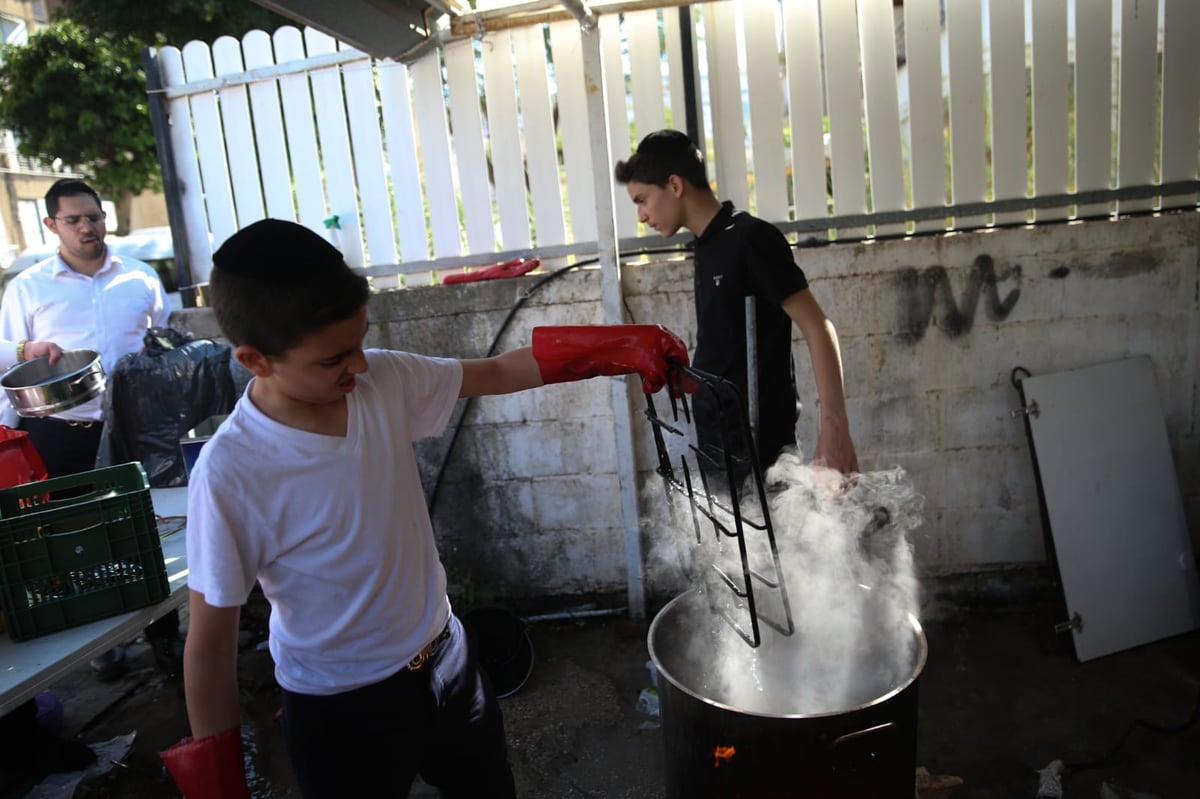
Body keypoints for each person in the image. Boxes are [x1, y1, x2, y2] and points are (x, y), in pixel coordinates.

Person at [161, 219, 689, 798]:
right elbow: (209, 646)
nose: (358, 366)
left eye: (360, 343)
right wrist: (219, 788)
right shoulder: (232, 471)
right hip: (340, 712)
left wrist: (613, 345)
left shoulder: (380, 380)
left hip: (448, 663)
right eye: (334, 359)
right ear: (256, 360)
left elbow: (494, 372)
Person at [0, 177, 178, 679]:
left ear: (105, 218)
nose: (87, 228)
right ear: (52, 225)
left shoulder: (140, 278)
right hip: (58, 429)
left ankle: (165, 638)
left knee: (147, 528)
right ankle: (100, 646)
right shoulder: (29, 287)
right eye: (74, 220)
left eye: (94, 217)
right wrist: (8, 431)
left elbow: (164, 340)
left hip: (133, 427)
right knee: (72, 537)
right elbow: (4, 356)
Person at [614, 129, 858, 486]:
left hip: (760, 451)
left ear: (675, 184)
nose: (641, 215)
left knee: (772, 542)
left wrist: (835, 429)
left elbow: (818, 326)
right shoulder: (706, 246)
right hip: (717, 444)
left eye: (642, 199)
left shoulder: (751, 240)